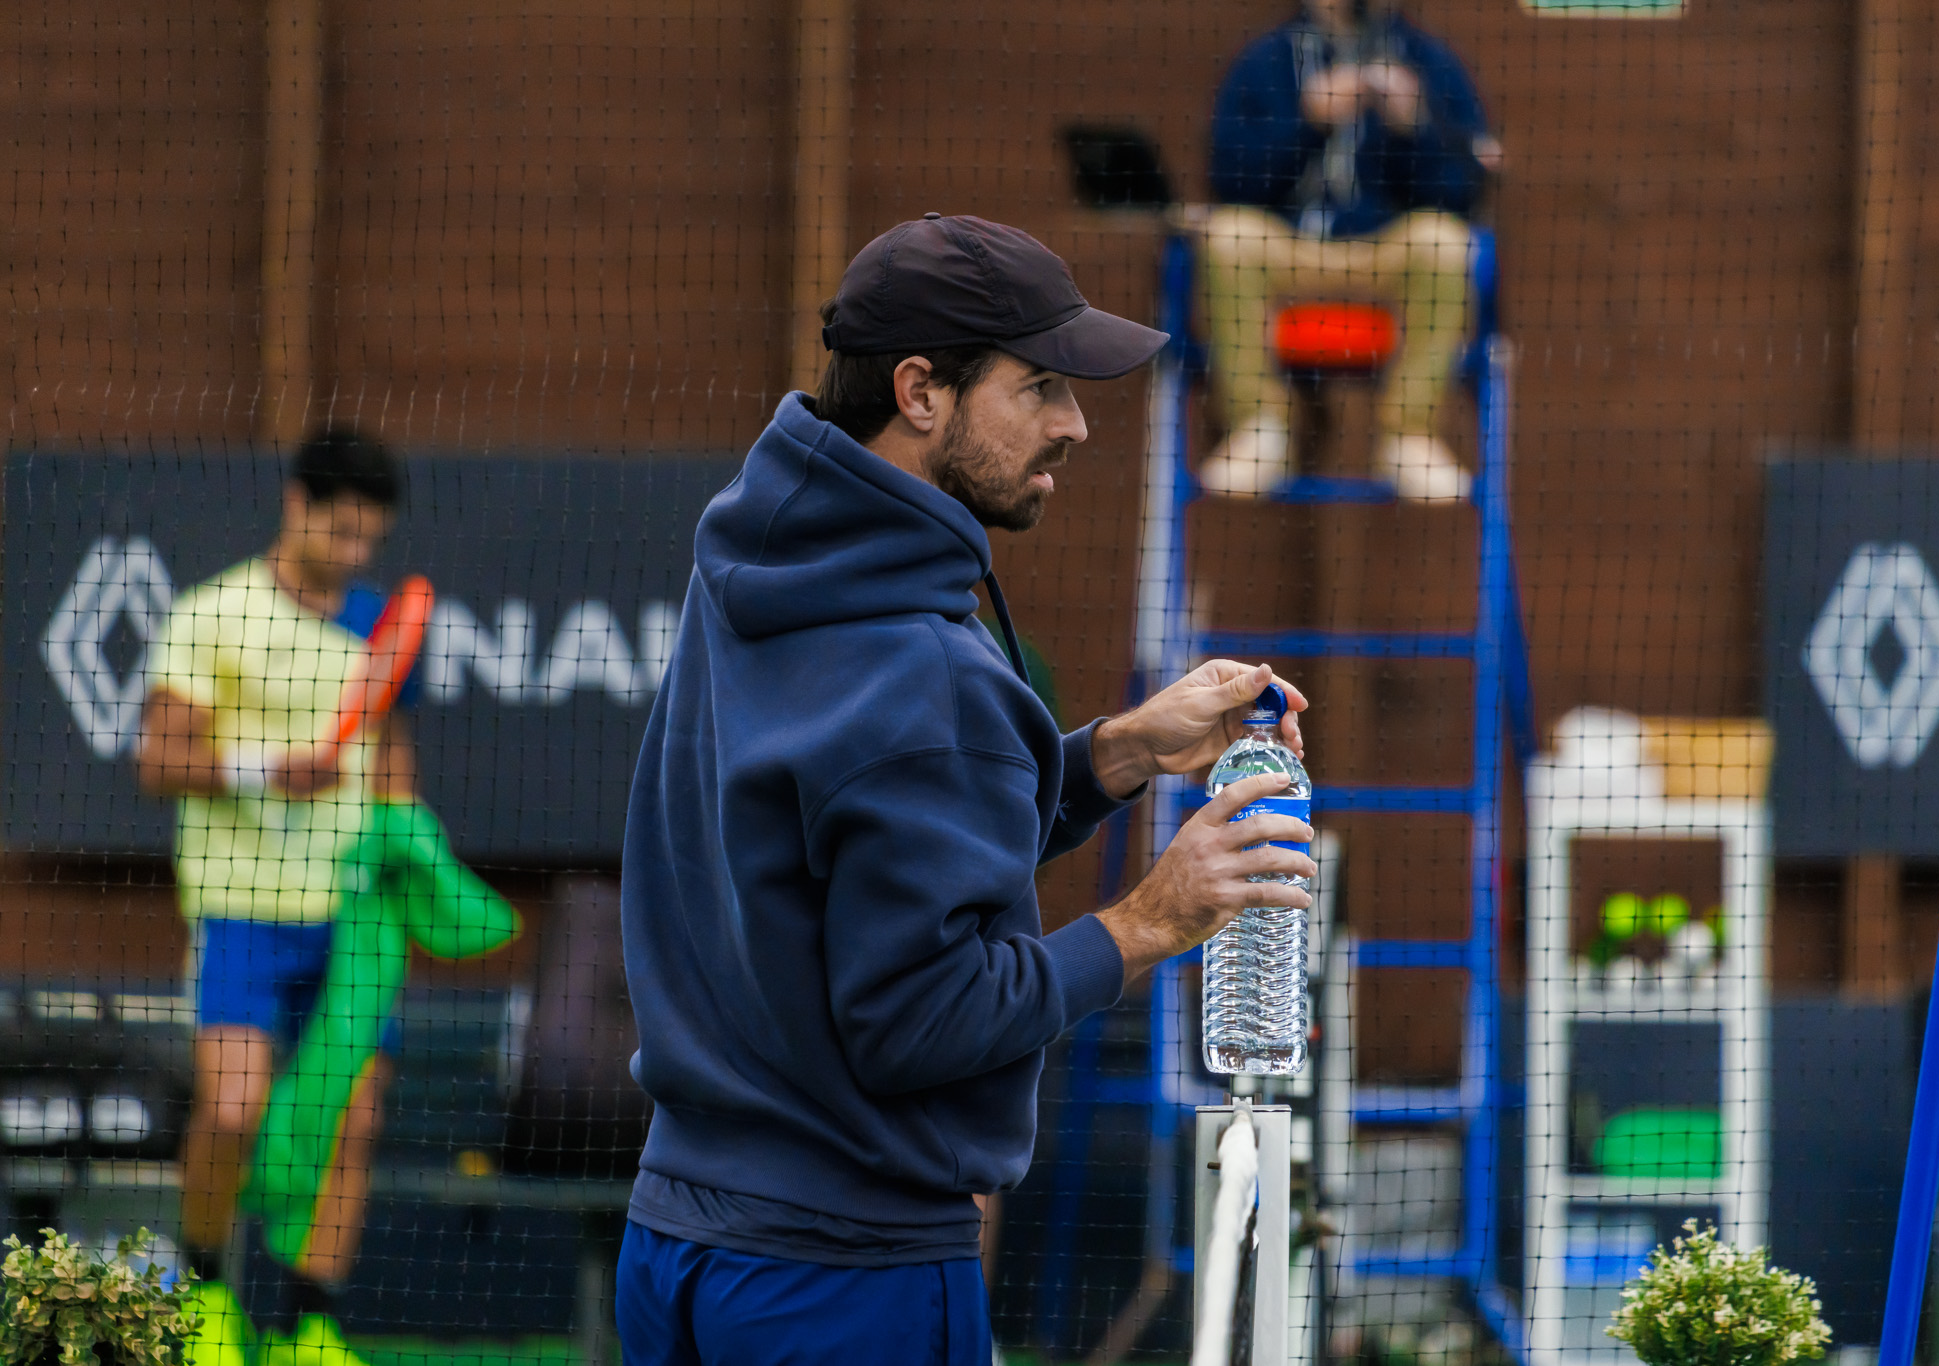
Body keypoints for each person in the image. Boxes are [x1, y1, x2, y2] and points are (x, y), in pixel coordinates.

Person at [614, 213, 1319, 1365]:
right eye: (1037, 385)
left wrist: (1119, 751)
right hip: (839, 1286)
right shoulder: (932, 672)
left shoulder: (751, 564)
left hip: (672, 1250)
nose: (1073, 423)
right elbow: (920, 1020)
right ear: (920, 392)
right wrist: (1154, 917)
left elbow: (853, 842)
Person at [135, 427, 518, 1366]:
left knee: (356, 1123)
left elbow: (385, 751)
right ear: (297, 506)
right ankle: (205, 1298)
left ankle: (311, 1326)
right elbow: (158, 758)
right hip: (238, 908)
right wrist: (269, 770)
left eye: (368, 539)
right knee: (231, 1112)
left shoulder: (374, 624)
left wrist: (408, 832)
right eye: (339, 532)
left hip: (354, 920)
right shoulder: (212, 614)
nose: (354, 553)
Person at [1193, 0, 1499, 501]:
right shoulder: (1266, 58)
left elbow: (1463, 190)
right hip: (1288, 247)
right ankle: (1260, 428)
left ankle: (1409, 434)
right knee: (1228, 235)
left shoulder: (1429, 59)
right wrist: (1308, 122)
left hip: (1386, 251)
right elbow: (1229, 178)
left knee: (1445, 242)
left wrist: (1411, 130)